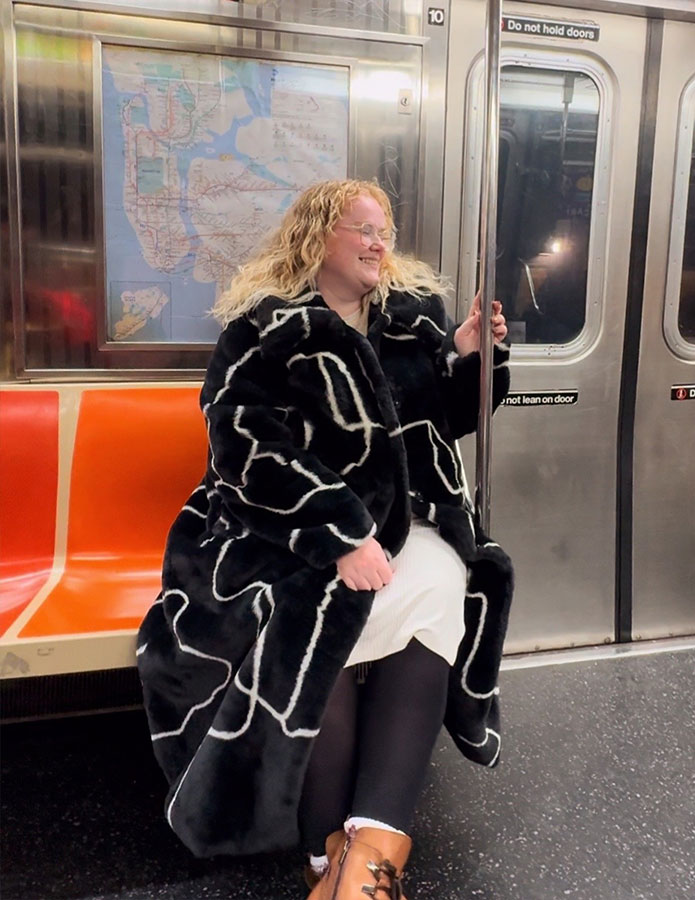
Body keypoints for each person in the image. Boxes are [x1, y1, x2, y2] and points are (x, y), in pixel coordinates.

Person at [137, 179, 514, 898]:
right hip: (277, 530)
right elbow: (245, 448)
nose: (380, 244)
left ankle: (368, 860)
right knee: (320, 610)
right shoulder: (264, 329)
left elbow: (448, 420)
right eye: (363, 229)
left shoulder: (409, 322)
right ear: (317, 237)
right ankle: (325, 853)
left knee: (437, 582)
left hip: (401, 522)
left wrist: (468, 359)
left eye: (385, 232)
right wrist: (338, 532)